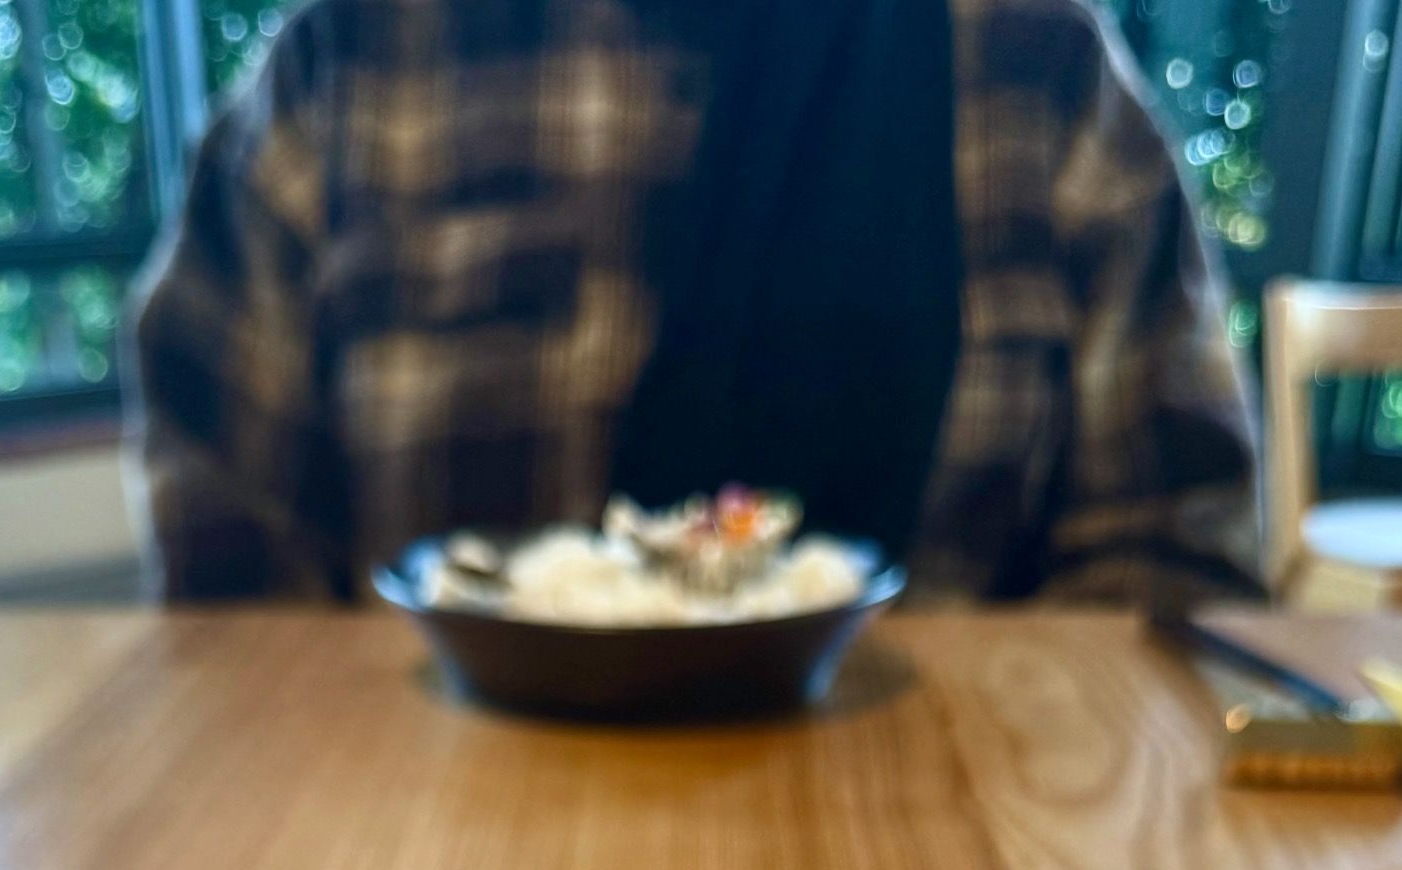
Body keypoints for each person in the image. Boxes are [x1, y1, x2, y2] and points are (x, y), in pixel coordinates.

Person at [131, 0, 1261, 607]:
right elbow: (229, 565)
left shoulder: (1034, 67)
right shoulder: (358, 53)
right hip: (438, 867)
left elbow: (1168, 559)